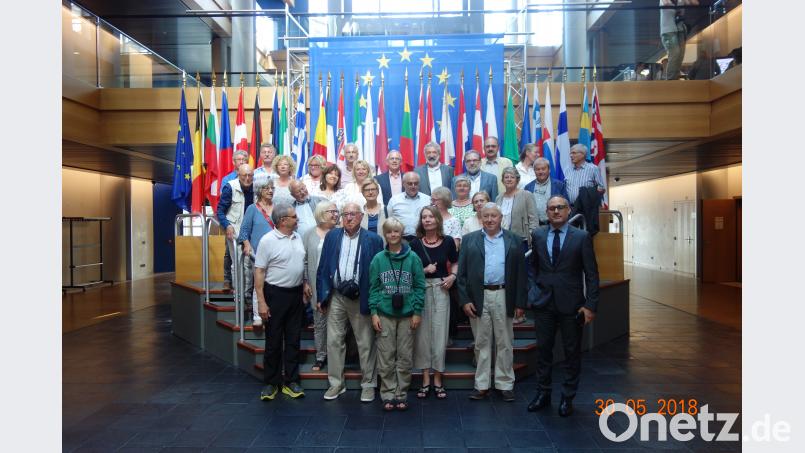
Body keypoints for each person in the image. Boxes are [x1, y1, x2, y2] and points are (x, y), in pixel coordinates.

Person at [527, 195, 600, 417]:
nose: (556, 211)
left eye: (560, 207)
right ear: (546, 212)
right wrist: (533, 291)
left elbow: (592, 274)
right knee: (544, 352)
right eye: (551, 208)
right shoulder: (538, 235)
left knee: (571, 353)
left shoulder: (582, 237)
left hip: (572, 305)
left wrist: (590, 306)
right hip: (544, 304)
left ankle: (568, 397)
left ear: (568, 211)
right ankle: (543, 393)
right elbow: (533, 268)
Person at [457, 203, 527, 402]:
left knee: (505, 342)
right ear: (481, 217)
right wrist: (465, 301)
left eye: (493, 216)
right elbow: (461, 275)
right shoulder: (470, 240)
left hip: (504, 295)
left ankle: (505, 383)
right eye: (485, 216)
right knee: (481, 342)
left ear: (501, 218)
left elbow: (522, 274)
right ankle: (482, 385)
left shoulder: (513, 239)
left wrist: (521, 302)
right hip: (479, 297)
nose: (489, 219)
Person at [316, 202, 385, 402]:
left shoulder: (373, 239)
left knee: (365, 342)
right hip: (336, 296)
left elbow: (378, 272)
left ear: (361, 216)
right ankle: (336, 384)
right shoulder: (332, 236)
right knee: (334, 341)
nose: (349, 218)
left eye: (353, 214)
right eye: (345, 214)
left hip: (361, 296)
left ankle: (368, 385)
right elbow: (322, 267)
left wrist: (375, 301)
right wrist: (322, 296)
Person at [369, 217, 426, 411]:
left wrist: (417, 311)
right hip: (384, 313)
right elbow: (374, 288)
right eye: (389, 232)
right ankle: (388, 393)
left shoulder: (413, 258)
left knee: (404, 356)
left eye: (396, 231)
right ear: (384, 234)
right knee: (386, 355)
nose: (393, 235)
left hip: (407, 314)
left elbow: (419, 286)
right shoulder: (378, 259)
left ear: (401, 234)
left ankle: (401, 393)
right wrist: (374, 313)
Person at [255, 202, 311, 401]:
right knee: (274, 341)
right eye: (294, 217)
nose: (297, 219)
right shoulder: (267, 241)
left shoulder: (297, 237)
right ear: (282, 221)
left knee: (294, 339)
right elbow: (259, 272)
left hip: (295, 295)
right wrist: (261, 302)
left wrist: (304, 283)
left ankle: (291, 381)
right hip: (275, 295)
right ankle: (271, 383)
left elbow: (300, 263)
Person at [410, 206, 458, 400]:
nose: (427, 220)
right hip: (420, 290)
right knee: (421, 335)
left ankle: (438, 378)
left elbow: (455, 262)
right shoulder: (414, 244)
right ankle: (425, 379)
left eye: (431, 216)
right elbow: (409, 271)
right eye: (424, 217)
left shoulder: (447, 242)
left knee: (440, 333)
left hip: (441, 289)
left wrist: (453, 276)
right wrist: (424, 270)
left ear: (438, 219)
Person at [302, 201, 339, 372]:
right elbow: (304, 259)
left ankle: (336, 357)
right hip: (316, 286)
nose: (335, 214)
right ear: (322, 213)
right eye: (332, 211)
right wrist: (305, 282)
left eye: (336, 211)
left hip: (337, 287)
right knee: (319, 323)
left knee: (338, 324)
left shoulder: (340, 233)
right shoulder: (309, 234)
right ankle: (320, 356)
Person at [238, 178, 275, 327]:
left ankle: (273, 312)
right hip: (258, 253)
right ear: (259, 191)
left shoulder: (278, 207)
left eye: (272, 188)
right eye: (267, 188)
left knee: (274, 285)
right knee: (258, 285)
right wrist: (246, 245)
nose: (271, 191)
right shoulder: (252, 209)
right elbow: (243, 232)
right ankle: (257, 315)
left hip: (277, 253)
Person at [216, 164, 254, 293]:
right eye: (244, 175)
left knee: (250, 263)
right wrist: (227, 225)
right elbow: (220, 211)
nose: (248, 178)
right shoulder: (230, 187)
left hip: (251, 231)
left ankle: (248, 293)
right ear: (238, 174)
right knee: (238, 263)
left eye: (250, 175)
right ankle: (239, 295)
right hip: (235, 230)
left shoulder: (256, 188)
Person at [496, 167, 538, 242]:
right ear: (502, 180)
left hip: (521, 238)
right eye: (506, 177)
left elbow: (533, 219)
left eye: (512, 177)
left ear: (517, 180)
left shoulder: (526, 195)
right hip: (501, 238)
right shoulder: (499, 198)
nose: (509, 179)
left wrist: (532, 237)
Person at [523, 158, 570, 226]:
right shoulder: (528, 187)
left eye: (543, 169)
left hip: (555, 224)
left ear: (549, 170)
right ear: (534, 171)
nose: (540, 171)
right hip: (535, 226)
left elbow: (566, 206)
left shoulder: (559, 186)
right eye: (538, 169)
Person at [387, 172, 431, 242]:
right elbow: (390, 221)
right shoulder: (394, 200)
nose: (413, 186)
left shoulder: (428, 200)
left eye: (416, 183)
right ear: (403, 184)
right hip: (400, 240)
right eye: (410, 183)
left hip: (423, 239)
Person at [659, 0, 688, 80]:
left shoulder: (680, 1)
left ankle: (675, 78)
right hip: (668, 30)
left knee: (680, 56)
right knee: (675, 53)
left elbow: (694, 3)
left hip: (680, 29)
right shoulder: (664, 1)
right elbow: (666, 3)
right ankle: (670, 80)